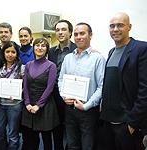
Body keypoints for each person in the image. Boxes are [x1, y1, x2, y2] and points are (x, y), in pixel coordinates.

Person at [100, 12, 147, 150]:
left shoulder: (141, 49)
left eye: (120, 25)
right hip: (108, 121)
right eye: (112, 26)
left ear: (129, 27)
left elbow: (145, 90)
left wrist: (132, 123)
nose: (115, 29)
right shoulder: (110, 52)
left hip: (127, 123)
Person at [58, 22, 106, 150]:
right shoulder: (68, 58)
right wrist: (63, 96)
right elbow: (61, 79)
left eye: (82, 33)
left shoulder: (98, 58)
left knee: (88, 146)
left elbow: (102, 86)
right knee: (72, 145)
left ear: (90, 35)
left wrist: (86, 106)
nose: (78, 37)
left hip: (88, 111)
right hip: (69, 109)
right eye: (76, 34)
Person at [21, 38, 59, 150]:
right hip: (29, 106)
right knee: (31, 139)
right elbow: (25, 86)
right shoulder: (28, 65)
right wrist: (27, 103)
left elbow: (50, 88)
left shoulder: (51, 65)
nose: (40, 48)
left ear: (47, 49)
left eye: (43, 46)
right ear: (33, 48)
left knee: (46, 139)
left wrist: (38, 105)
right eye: (37, 45)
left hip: (45, 106)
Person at [48, 19, 76, 150]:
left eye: (63, 29)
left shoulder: (77, 49)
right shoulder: (51, 51)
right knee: (57, 125)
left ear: (70, 32)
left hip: (72, 94)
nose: (60, 32)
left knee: (71, 128)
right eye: (57, 30)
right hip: (55, 93)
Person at [0, 41, 24, 150]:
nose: (10, 54)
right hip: (0, 104)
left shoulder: (22, 68)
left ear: (17, 54)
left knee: (13, 134)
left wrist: (18, 92)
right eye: (7, 51)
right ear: (3, 53)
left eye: (13, 52)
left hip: (15, 105)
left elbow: (25, 86)